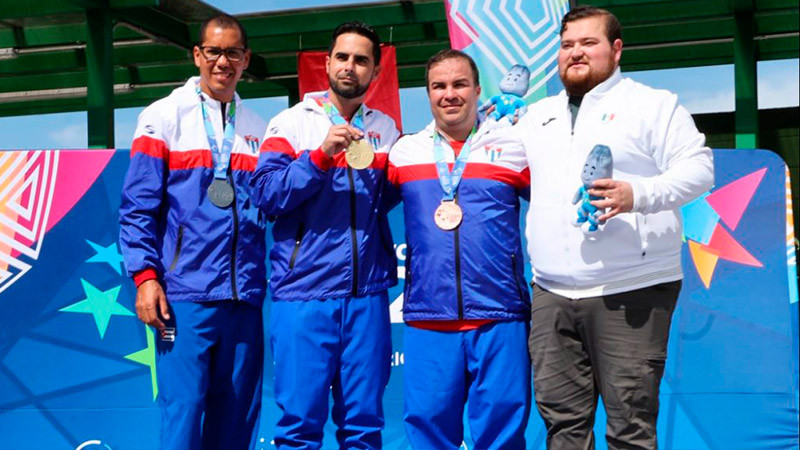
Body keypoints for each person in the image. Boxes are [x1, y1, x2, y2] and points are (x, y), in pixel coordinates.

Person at [515, 6, 714, 449]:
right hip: (551, 292)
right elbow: (485, 157)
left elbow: (700, 169)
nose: (576, 53)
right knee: (563, 426)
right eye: (567, 45)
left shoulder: (653, 104)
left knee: (630, 427)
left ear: (616, 49)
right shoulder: (536, 116)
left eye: (589, 43)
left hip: (633, 288)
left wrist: (636, 194)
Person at [118, 14, 266, 450]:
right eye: (214, 52)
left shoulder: (258, 127)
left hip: (243, 299)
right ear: (198, 55)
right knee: (182, 414)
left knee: (238, 420)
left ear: (245, 59)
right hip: (184, 296)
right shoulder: (162, 116)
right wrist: (146, 278)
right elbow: (138, 206)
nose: (224, 62)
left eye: (233, 53)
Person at [250, 21, 400, 449]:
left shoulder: (386, 129)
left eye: (361, 60)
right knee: (299, 427)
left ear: (375, 71)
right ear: (327, 63)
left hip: (366, 296)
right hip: (304, 293)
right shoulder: (291, 123)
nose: (350, 67)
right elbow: (265, 195)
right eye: (343, 57)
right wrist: (319, 158)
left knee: (365, 427)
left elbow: (388, 197)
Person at [387, 49, 532, 450]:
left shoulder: (514, 144)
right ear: (428, 93)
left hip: (499, 314)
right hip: (429, 316)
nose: (449, 94)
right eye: (439, 86)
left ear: (477, 89)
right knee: (429, 433)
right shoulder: (404, 151)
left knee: (502, 434)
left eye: (459, 84)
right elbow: (359, 210)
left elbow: (556, 207)